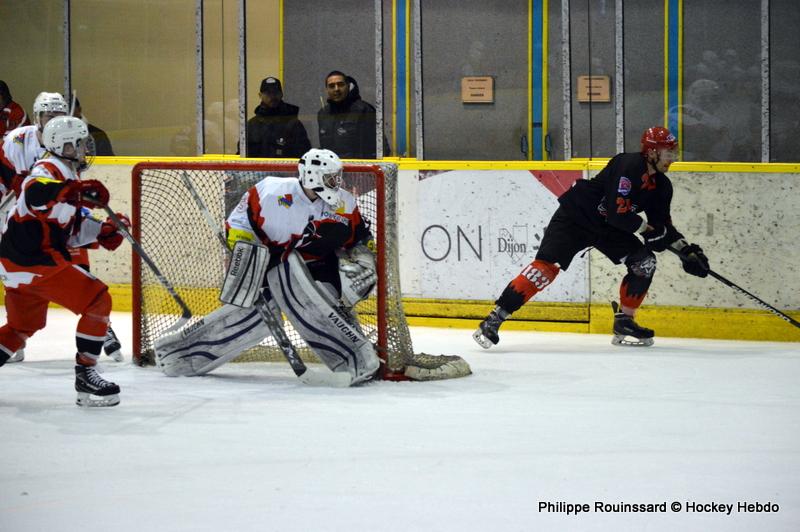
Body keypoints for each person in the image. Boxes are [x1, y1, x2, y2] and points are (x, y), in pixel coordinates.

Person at [155, 148, 380, 385]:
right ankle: (179, 354)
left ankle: (355, 358)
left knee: (317, 304)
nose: (337, 183)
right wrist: (246, 250)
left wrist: (364, 260)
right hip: (268, 261)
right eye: (331, 178)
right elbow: (240, 221)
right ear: (313, 176)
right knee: (254, 317)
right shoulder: (271, 191)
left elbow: (359, 238)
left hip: (318, 265)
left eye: (337, 177)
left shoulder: (344, 203)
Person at [473, 127, 711, 348]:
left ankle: (625, 322)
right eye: (668, 153)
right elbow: (619, 214)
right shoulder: (628, 165)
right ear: (651, 152)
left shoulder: (662, 186)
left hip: (608, 227)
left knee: (644, 263)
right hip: (577, 215)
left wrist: (686, 251)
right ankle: (495, 318)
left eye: (673, 153)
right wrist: (648, 230)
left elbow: (663, 226)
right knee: (545, 268)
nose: (672, 158)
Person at [0, 116, 130, 406]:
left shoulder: (67, 174)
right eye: (81, 144)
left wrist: (103, 232)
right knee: (97, 300)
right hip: (34, 262)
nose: (86, 149)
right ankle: (86, 374)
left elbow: (67, 231)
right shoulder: (47, 169)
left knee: (22, 326)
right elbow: (35, 194)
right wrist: (75, 192)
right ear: (66, 145)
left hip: (18, 263)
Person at [317, 71, 389, 159]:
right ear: (327, 90)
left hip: (357, 166)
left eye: (340, 84)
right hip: (330, 166)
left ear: (348, 86)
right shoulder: (323, 113)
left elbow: (382, 148)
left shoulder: (363, 110)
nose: (336, 89)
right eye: (332, 86)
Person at [246, 76, 310, 158]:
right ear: (260, 95)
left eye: (276, 93)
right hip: (257, 166)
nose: (272, 96)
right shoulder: (252, 125)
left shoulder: (293, 124)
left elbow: (304, 155)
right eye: (268, 93)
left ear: (281, 94)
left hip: (287, 166)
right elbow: (243, 155)